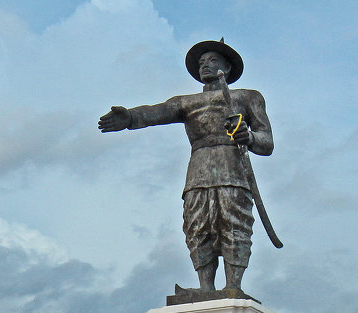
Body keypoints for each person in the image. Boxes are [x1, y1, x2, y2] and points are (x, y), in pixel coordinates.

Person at [99, 39, 273, 292]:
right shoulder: (186, 102)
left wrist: (250, 137)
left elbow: (267, 142)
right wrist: (130, 117)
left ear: (228, 66)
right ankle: (206, 288)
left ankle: (232, 286)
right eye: (201, 62)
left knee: (234, 222)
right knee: (197, 224)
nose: (205, 66)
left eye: (212, 60)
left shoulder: (247, 97)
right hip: (198, 171)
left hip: (232, 169)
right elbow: (155, 112)